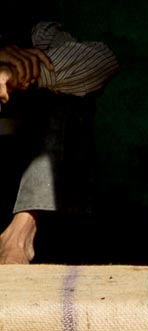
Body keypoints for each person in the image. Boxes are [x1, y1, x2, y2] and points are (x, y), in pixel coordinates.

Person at [0, 19, 118, 264]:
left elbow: (103, 60)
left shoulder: (36, 34)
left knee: (69, 97)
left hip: (20, 173)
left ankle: (18, 237)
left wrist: (17, 74)